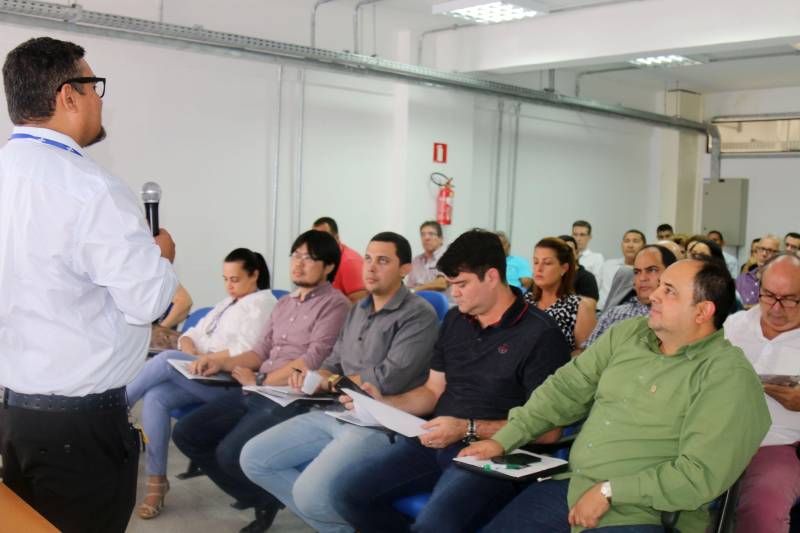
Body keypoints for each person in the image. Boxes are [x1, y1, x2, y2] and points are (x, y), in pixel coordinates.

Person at [0, 37, 178, 533]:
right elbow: (150, 300)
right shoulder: (90, 188)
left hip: (14, 415)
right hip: (80, 430)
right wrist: (160, 257)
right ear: (69, 96)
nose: (101, 99)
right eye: (95, 86)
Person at [459, 258, 770, 533]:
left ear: (703, 311)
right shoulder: (629, 334)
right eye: (659, 286)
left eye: (670, 291)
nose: (653, 295)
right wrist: (505, 438)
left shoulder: (727, 376)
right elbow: (565, 389)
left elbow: (698, 475)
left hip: (647, 512)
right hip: (574, 486)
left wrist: (611, 490)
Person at [330, 229, 571, 533]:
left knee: (434, 525)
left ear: (492, 277)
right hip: (437, 439)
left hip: (498, 451)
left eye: (462, 284)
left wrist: (466, 427)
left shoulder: (540, 334)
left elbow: (549, 432)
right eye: (450, 284)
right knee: (346, 494)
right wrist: (383, 403)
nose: (453, 293)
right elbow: (433, 391)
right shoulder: (457, 320)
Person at [239, 231, 439, 533]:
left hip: (378, 423)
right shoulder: (357, 309)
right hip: (337, 411)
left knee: (308, 496)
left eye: (383, 261)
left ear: (405, 269)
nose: (370, 267)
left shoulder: (418, 314)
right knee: (254, 458)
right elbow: (332, 361)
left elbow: (389, 377)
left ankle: (335, 519)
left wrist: (332, 380)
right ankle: (343, 526)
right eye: (368, 259)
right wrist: (314, 378)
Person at [171, 230, 350, 533]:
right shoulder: (285, 303)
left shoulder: (336, 305)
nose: (298, 263)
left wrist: (264, 378)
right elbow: (259, 351)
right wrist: (221, 363)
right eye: (295, 255)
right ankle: (261, 495)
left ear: (329, 266)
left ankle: (272, 495)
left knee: (230, 454)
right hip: (257, 389)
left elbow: (313, 359)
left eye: (308, 258)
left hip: (293, 396)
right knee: (188, 433)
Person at [125, 248, 277, 519]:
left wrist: (204, 358)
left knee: (165, 360)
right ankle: (157, 482)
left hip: (230, 382)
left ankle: (115, 406)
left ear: (255, 275)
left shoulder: (261, 304)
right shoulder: (228, 303)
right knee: (156, 397)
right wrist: (192, 352)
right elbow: (191, 333)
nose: (229, 285)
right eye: (225, 279)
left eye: (235, 279)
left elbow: (247, 350)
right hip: (202, 373)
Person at [724, 254, 800, 533]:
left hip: (776, 444)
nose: (777, 308)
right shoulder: (734, 326)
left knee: (763, 508)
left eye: (790, 299)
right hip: (716, 437)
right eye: (769, 295)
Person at [581, 244, 676, 348]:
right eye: (637, 272)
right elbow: (587, 354)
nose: (642, 278)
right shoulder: (614, 314)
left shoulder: (681, 315)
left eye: (652, 270)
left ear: (670, 272)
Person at [525, 237, 596, 353]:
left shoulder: (579, 307)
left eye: (547, 263)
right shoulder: (524, 301)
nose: (539, 268)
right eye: (535, 262)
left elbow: (587, 354)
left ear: (564, 268)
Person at [313, 216, 367, 303]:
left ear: (337, 238)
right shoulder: (320, 258)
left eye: (325, 238)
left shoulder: (350, 262)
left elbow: (360, 305)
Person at [598, 229, 646, 310]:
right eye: (627, 241)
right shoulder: (608, 264)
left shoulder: (645, 272)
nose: (630, 245)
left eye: (635, 241)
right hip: (599, 311)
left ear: (644, 246)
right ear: (621, 244)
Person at [737, 235, 781, 308]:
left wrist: (747, 307)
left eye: (769, 251)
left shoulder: (781, 282)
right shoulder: (742, 278)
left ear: (778, 255)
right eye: (761, 249)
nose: (764, 254)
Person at [406, 220, 448, 293]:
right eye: (423, 234)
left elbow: (442, 283)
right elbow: (409, 287)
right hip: (419, 303)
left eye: (431, 234)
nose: (426, 238)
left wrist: (417, 289)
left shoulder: (448, 257)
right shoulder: (416, 261)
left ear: (441, 239)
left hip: (443, 304)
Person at [559, 235, 599, 303]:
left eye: (569, 250)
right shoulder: (552, 276)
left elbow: (587, 308)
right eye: (560, 251)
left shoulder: (587, 278)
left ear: (577, 254)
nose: (565, 254)